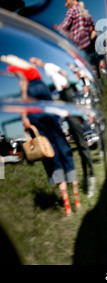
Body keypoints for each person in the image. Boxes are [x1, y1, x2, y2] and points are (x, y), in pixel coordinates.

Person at [1, 54, 80, 215]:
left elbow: (23, 85)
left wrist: (24, 117)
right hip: (45, 97)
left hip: (33, 101)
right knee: (63, 147)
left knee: (50, 152)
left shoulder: (15, 70)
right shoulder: (33, 70)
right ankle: (76, 197)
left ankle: (66, 203)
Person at [29, 56, 96, 198]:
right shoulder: (45, 74)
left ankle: (90, 179)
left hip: (66, 97)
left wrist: (66, 87)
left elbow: (63, 74)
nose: (33, 62)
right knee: (77, 144)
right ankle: (84, 179)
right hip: (60, 99)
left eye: (34, 60)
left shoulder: (48, 66)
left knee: (81, 143)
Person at [54, 0, 96, 66]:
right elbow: (93, 30)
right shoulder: (85, 12)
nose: (65, 4)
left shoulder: (72, 10)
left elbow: (63, 27)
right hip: (87, 50)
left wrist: (56, 28)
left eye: (66, 0)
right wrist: (87, 42)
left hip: (78, 50)